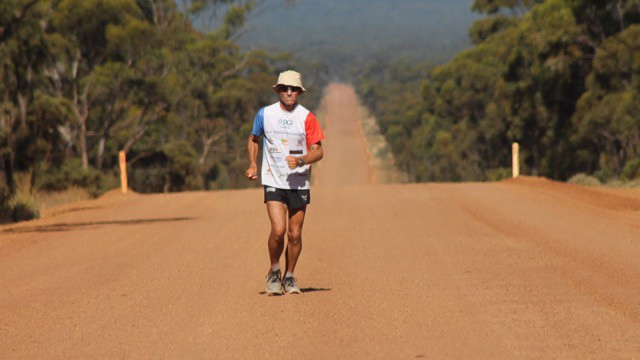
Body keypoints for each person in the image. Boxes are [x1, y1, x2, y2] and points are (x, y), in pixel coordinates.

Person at [245, 70, 325, 295]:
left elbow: (318, 151)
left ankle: (289, 276)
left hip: (299, 183)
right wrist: (252, 163)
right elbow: (253, 138)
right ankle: (274, 269)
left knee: (295, 234)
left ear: (299, 92)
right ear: (278, 90)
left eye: (293, 89)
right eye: (285, 88)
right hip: (273, 178)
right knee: (278, 230)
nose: (289, 92)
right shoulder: (265, 114)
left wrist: (301, 160)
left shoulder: (307, 117)